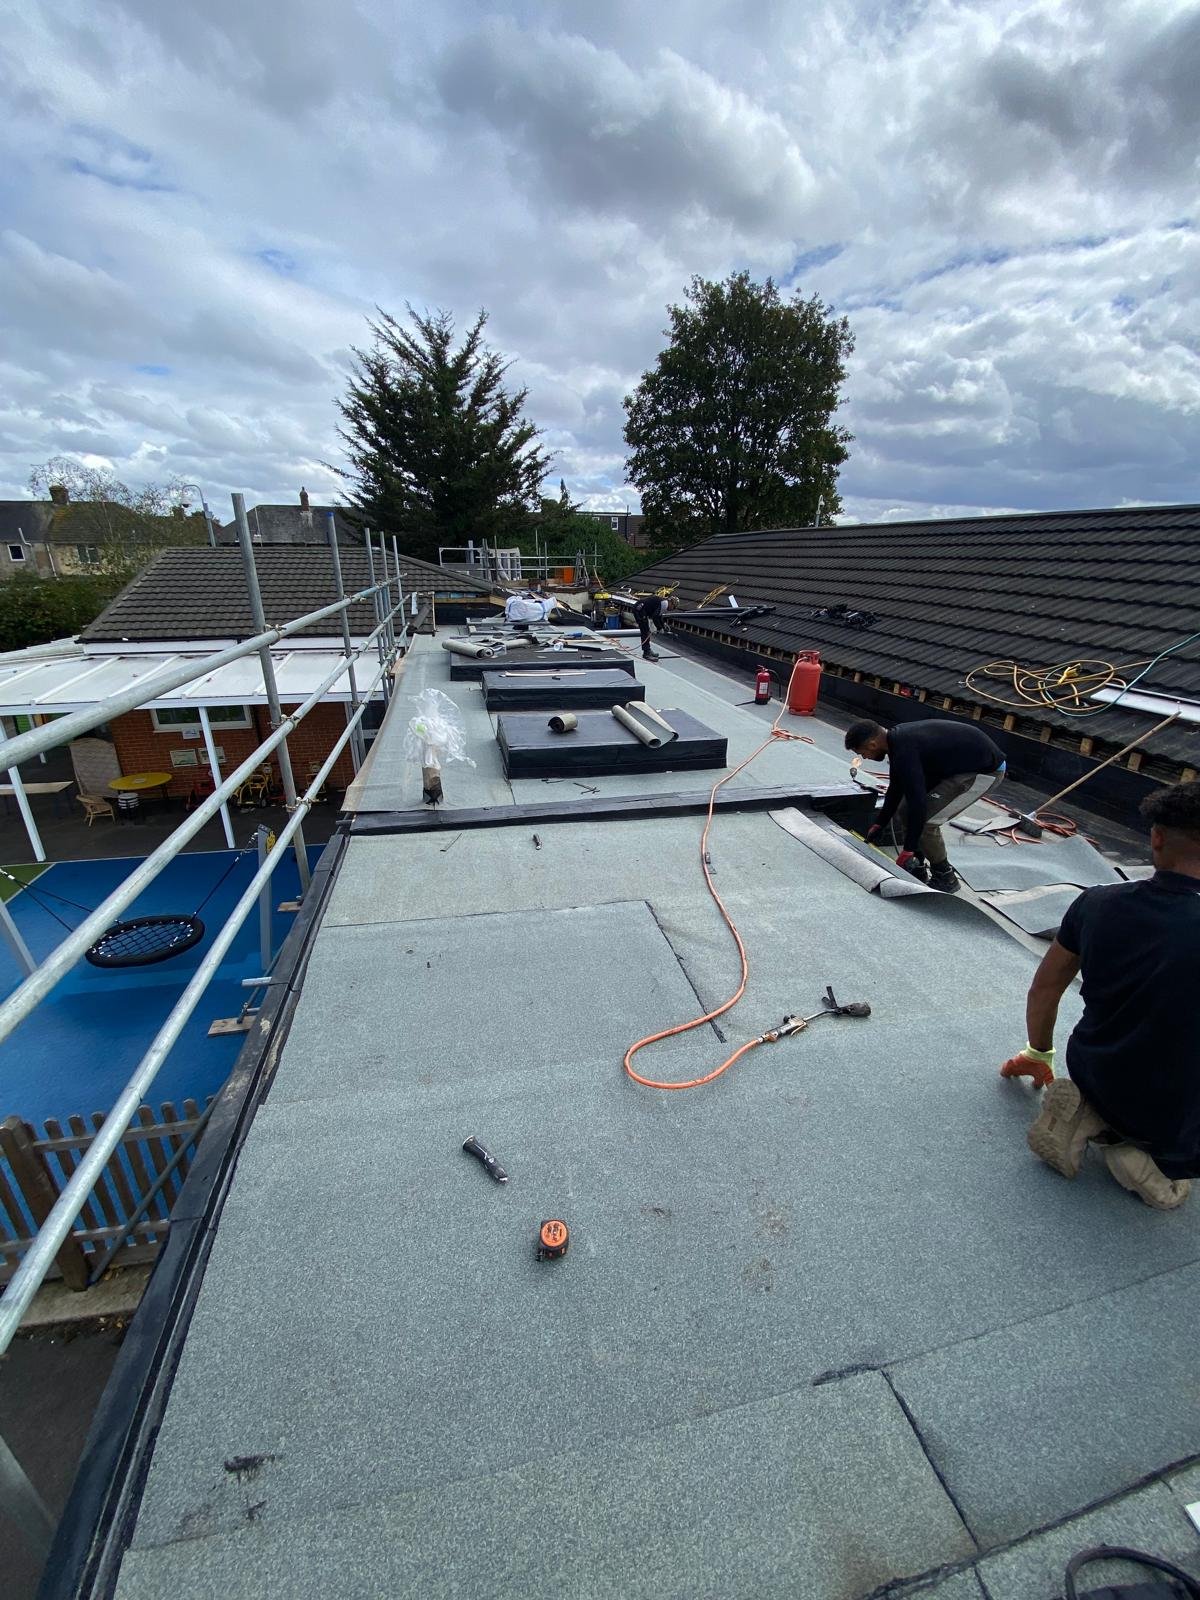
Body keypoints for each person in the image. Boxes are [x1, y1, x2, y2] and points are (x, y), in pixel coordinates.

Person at [1002, 780, 1200, 1211]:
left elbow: (1045, 988)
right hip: (1174, 1112)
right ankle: (1139, 1154)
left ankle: (1092, 1114)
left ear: (1156, 836)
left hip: (1096, 1065)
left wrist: (1039, 1051)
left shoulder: (1096, 904)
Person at [843, 718, 1006, 892]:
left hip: (983, 772)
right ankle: (917, 866)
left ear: (872, 744)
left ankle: (945, 876)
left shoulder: (903, 748)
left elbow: (918, 801)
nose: (864, 757)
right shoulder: (895, 742)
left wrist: (908, 848)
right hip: (956, 766)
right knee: (905, 811)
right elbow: (896, 788)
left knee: (927, 822)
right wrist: (880, 823)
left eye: (861, 753)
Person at [632, 594, 670, 661]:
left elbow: (659, 616)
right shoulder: (665, 604)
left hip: (641, 609)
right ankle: (646, 653)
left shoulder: (664, 602)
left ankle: (648, 649)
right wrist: (659, 628)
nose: (671, 609)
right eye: (673, 607)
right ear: (671, 603)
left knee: (646, 631)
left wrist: (664, 626)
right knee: (645, 632)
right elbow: (655, 617)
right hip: (639, 610)